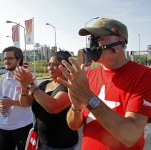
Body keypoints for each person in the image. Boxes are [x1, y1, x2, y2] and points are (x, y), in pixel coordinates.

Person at [57, 18, 151, 150]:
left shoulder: (145, 75)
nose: (92, 43)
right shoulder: (88, 76)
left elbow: (131, 135)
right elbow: (74, 126)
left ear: (119, 43)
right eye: (91, 38)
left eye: (99, 38)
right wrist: (76, 107)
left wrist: (87, 97)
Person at [15, 51, 79, 150]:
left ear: (66, 67)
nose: (50, 67)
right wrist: (24, 88)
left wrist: (30, 85)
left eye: (55, 64)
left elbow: (53, 107)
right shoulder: (44, 84)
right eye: (49, 64)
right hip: (41, 142)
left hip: (62, 146)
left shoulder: (69, 86)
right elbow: (25, 103)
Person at [0, 46, 37, 150]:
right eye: (5, 58)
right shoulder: (3, 78)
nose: (6, 61)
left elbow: (30, 102)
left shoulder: (28, 76)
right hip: (2, 126)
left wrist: (12, 103)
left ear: (18, 60)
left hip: (22, 125)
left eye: (10, 58)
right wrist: (1, 106)